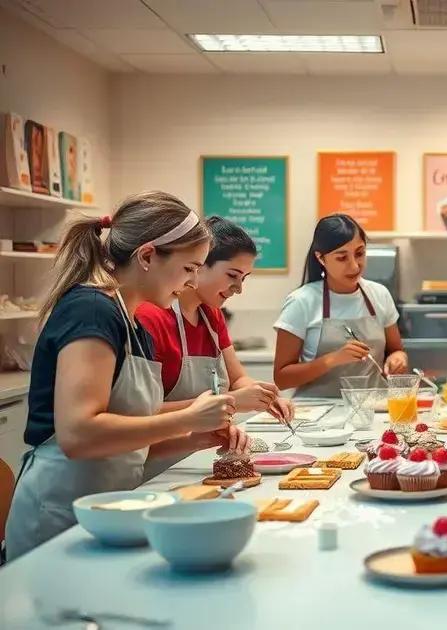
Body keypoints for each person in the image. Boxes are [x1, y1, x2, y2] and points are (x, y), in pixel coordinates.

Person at [5, 192, 243, 560]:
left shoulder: (134, 326)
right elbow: (79, 435)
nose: (193, 280)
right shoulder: (91, 310)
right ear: (147, 256)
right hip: (58, 515)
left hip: (108, 511)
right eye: (189, 268)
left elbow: (130, 436)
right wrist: (184, 418)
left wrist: (195, 438)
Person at [136, 217, 294, 477]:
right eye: (232, 275)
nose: (239, 289)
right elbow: (138, 414)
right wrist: (230, 401)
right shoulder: (151, 317)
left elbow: (238, 378)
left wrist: (262, 395)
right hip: (156, 468)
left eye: (244, 278)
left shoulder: (211, 315)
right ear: (198, 265)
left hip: (197, 458)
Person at [273, 214, 407, 398]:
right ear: (321, 258)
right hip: (317, 414)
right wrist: (332, 359)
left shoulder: (379, 295)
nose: (354, 266)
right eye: (342, 258)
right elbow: (282, 379)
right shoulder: (301, 302)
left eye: (360, 253)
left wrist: (397, 359)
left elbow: (396, 349)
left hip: (373, 410)